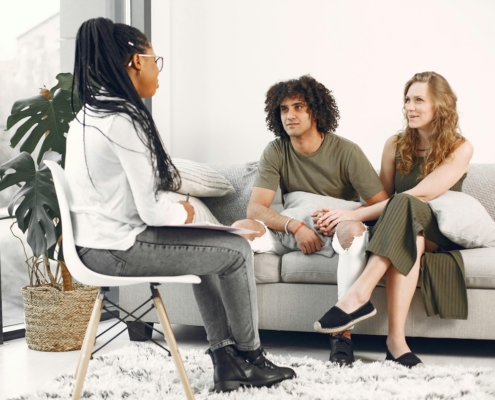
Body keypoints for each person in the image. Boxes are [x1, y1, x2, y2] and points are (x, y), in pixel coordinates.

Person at [65, 17, 295, 393]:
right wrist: (184, 212)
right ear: (137, 62)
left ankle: (226, 359)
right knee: (235, 249)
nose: (158, 70)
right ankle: (251, 358)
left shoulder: (87, 116)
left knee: (209, 249)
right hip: (118, 249)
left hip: (93, 246)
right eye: (156, 60)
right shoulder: (125, 120)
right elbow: (152, 210)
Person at [314, 71, 473, 367]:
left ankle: (358, 296)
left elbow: (422, 194)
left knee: (408, 201)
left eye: (418, 100)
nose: (409, 108)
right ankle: (396, 343)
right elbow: (383, 198)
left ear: (440, 105)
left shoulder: (461, 147)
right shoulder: (395, 144)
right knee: (410, 231)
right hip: (408, 231)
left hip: (440, 230)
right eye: (407, 100)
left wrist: (352, 213)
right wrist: (350, 215)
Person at [232, 75, 388, 365]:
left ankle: (342, 336)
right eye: (284, 109)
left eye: (298, 107)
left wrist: (343, 216)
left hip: (336, 231)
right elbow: (255, 209)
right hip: (293, 231)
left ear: (315, 111)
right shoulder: (276, 150)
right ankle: (236, 337)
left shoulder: (347, 151)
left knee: (353, 231)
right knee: (239, 230)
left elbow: (382, 206)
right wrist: (296, 226)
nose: (290, 115)